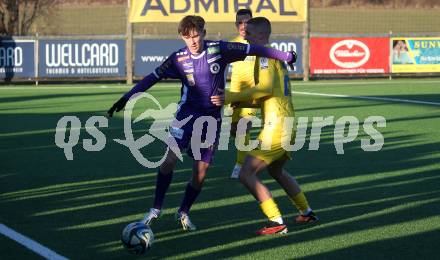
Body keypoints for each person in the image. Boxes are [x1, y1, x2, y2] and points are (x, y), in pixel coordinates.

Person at [107, 15, 296, 231]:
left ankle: (184, 212)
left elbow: (257, 50)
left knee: (200, 174)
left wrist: (286, 55)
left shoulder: (219, 49)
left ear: (204, 33)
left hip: (210, 121)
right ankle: (155, 210)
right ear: (182, 37)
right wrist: (126, 98)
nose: (193, 42)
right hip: (185, 116)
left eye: (196, 36)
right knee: (168, 161)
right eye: (188, 38)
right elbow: (152, 78)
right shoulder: (177, 58)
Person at [212, 17, 318, 235]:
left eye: (248, 33)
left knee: (245, 174)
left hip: (276, 127)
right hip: (286, 123)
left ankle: (276, 221)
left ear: (260, 36)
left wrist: (230, 95)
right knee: (276, 170)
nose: (244, 36)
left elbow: (265, 89)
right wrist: (236, 101)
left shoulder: (264, 58)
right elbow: (266, 96)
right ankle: (306, 212)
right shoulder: (272, 57)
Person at [228, 9, 257, 179]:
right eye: (240, 22)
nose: (243, 25)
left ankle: (240, 165)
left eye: (247, 21)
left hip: (252, 93)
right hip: (234, 93)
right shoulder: (231, 45)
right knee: (234, 130)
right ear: (236, 25)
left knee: (243, 128)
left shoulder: (258, 45)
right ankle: (247, 153)